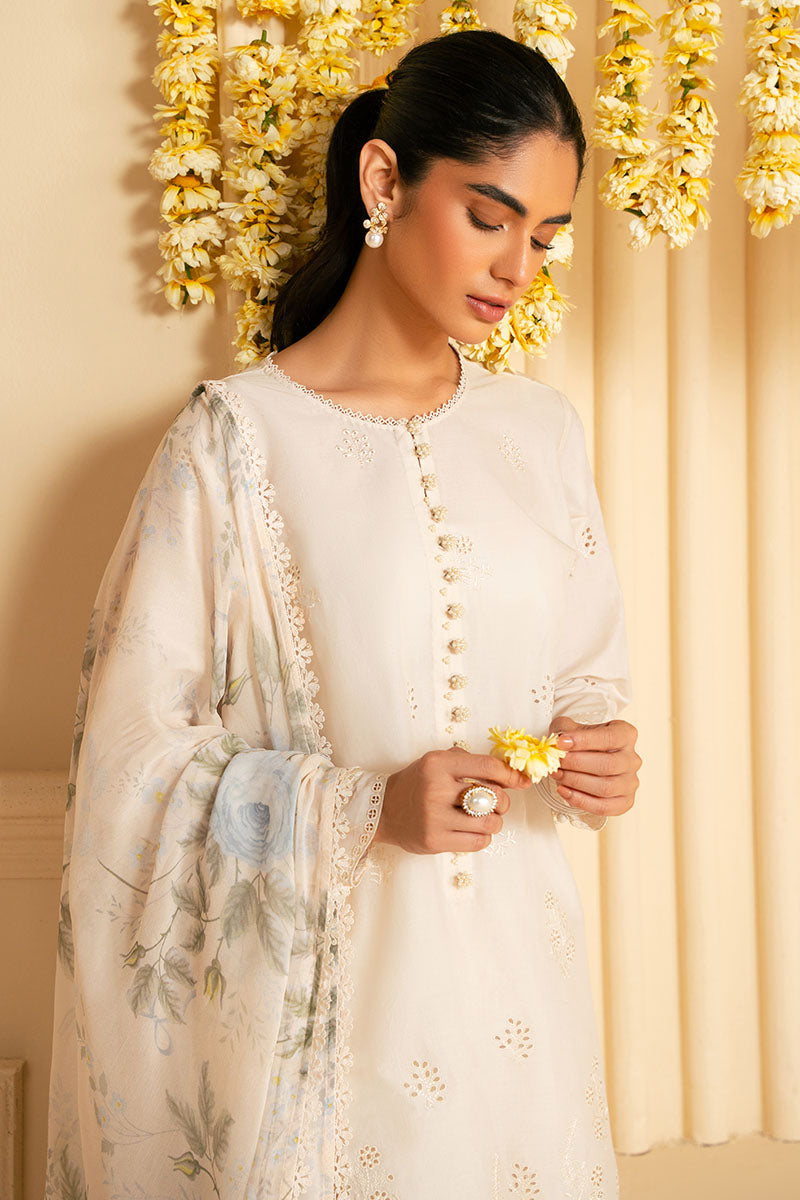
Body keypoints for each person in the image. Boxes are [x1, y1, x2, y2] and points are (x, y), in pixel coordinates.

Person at [45, 27, 641, 1200]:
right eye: (488, 217)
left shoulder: (538, 434)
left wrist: (598, 748)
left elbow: (583, 668)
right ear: (383, 180)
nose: (517, 267)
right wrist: (361, 806)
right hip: (324, 1037)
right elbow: (130, 766)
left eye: (542, 236)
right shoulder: (232, 442)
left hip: (517, 1004)